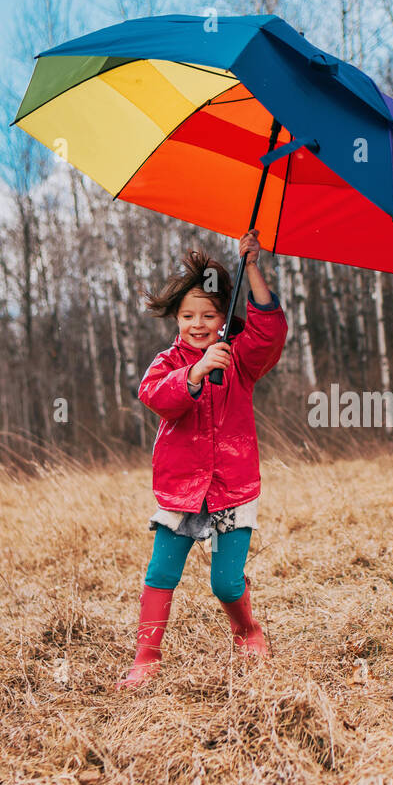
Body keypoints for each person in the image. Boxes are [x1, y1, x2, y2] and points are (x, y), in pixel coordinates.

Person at [115, 229, 288, 689]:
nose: (197, 323)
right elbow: (155, 396)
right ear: (176, 318)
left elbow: (270, 332)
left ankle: (248, 631)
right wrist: (194, 371)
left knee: (226, 583)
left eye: (208, 314)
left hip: (232, 486)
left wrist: (252, 267)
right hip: (182, 489)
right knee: (161, 573)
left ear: (223, 318)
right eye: (187, 314)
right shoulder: (168, 361)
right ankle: (146, 658)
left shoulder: (241, 358)